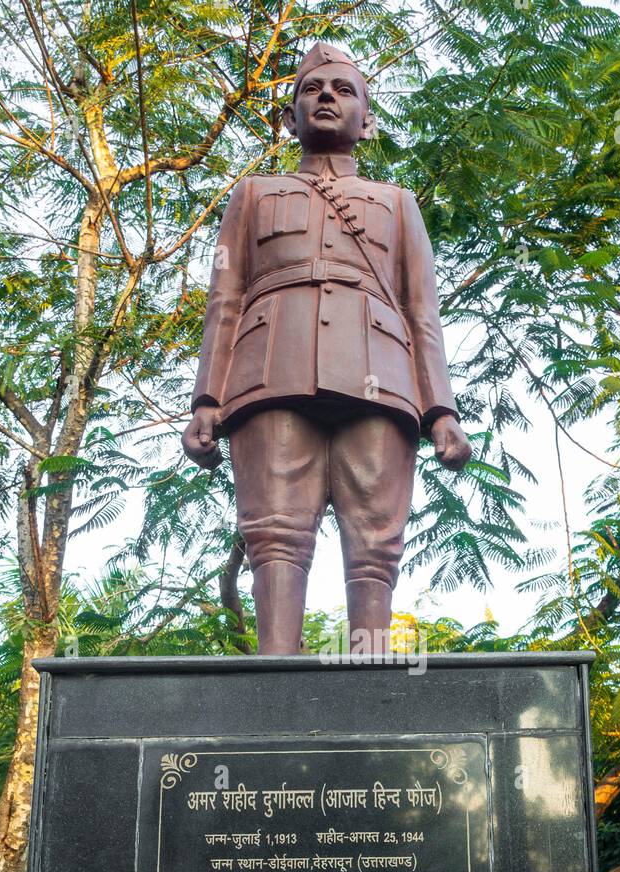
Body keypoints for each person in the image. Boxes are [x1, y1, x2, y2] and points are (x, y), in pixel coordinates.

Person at [181, 42, 471, 653]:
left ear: (367, 119)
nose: (327, 98)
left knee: (375, 536)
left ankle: (371, 678)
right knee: (275, 530)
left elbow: (422, 311)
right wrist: (207, 396)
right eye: (312, 91)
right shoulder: (252, 193)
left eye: (344, 90)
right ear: (290, 119)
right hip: (270, 369)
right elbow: (224, 297)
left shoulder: (397, 202)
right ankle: (274, 677)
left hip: (380, 372)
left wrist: (440, 409)